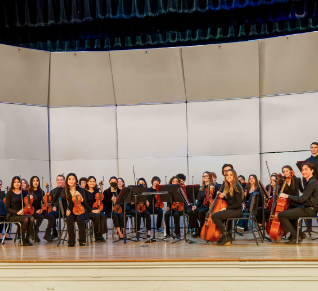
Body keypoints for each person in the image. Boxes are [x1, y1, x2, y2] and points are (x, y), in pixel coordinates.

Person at [278, 162, 318, 244]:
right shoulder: (310, 182)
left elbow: (302, 199)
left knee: (281, 215)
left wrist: (287, 196)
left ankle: (295, 236)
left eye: (306, 169)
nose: (303, 171)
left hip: (309, 210)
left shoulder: (312, 182)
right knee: (290, 211)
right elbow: (304, 198)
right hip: (308, 208)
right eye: (302, 170)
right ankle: (298, 234)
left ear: (312, 171)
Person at [211, 169, 244, 246]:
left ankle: (226, 237)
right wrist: (223, 197)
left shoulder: (236, 186)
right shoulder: (230, 186)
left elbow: (239, 204)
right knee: (216, 215)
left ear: (234, 176)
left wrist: (226, 208)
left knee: (214, 216)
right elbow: (232, 201)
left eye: (230, 175)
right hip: (233, 210)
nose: (228, 176)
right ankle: (227, 236)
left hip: (237, 211)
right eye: (227, 175)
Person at [61, 173, 93, 247]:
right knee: (69, 218)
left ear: (76, 180)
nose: (71, 180)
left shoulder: (81, 190)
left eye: (73, 179)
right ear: (67, 181)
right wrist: (66, 211)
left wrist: (80, 196)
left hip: (82, 211)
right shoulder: (65, 191)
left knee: (79, 218)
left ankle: (82, 240)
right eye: (69, 179)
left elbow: (84, 203)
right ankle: (71, 241)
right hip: (72, 212)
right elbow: (64, 205)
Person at [5, 176, 35, 246]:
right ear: (12, 183)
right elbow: (7, 208)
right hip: (12, 214)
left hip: (22, 213)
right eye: (15, 182)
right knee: (26, 219)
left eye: (18, 182)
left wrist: (30, 197)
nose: (17, 183)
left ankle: (27, 238)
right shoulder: (9, 193)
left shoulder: (23, 193)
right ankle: (22, 239)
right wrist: (17, 212)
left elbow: (28, 203)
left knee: (31, 218)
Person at [29, 176, 56, 242]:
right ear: (31, 182)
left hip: (40, 210)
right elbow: (27, 205)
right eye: (34, 181)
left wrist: (47, 200)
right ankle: (34, 232)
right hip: (32, 211)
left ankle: (47, 234)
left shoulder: (41, 192)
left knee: (52, 217)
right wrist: (36, 210)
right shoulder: (28, 192)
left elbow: (44, 203)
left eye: (37, 181)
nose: (36, 182)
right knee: (40, 217)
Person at [188, 171, 214, 238]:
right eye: (203, 176)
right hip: (203, 205)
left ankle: (203, 230)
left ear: (210, 177)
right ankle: (197, 229)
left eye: (206, 176)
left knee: (201, 212)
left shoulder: (214, 186)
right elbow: (200, 200)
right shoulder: (201, 188)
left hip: (210, 206)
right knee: (191, 212)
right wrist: (195, 206)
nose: (204, 177)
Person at [85, 176, 107, 242]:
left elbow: (101, 201)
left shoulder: (97, 191)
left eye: (94, 181)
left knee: (103, 216)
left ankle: (101, 235)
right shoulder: (85, 192)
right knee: (96, 216)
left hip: (97, 209)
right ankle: (97, 236)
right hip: (88, 210)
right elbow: (85, 204)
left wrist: (101, 194)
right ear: (87, 182)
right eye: (90, 181)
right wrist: (92, 210)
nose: (92, 183)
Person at [49, 174, 65, 239]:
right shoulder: (52, 191)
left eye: (61, 180)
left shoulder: (67, 190)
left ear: (64, 181)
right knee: (51, 214)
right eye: (58, 180)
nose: (60, 181)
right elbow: (51, 202)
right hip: (57, 211)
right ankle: (54, 232)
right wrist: (53, 207)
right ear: (56, 181)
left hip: (65, 210)